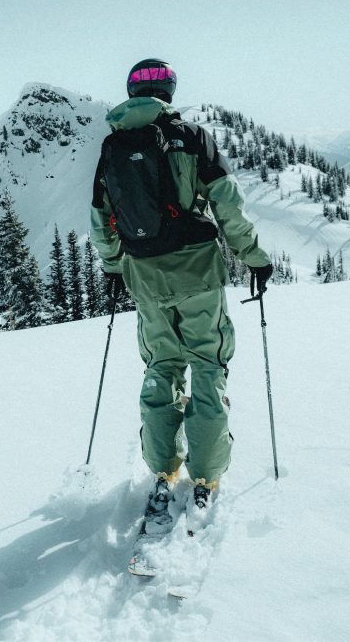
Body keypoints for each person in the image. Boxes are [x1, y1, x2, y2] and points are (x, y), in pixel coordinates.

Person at [91, 58, 273, 525]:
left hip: (145, 277)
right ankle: (206, 475)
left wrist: (115, 267)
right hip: (198, 274)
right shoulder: (191, 138)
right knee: (208, 365)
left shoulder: (113, 144)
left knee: (161, 367)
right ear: (169, 91)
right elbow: (227, 205)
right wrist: (253, 257)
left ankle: (163, 469)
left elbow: (101, 219)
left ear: (132, 92)